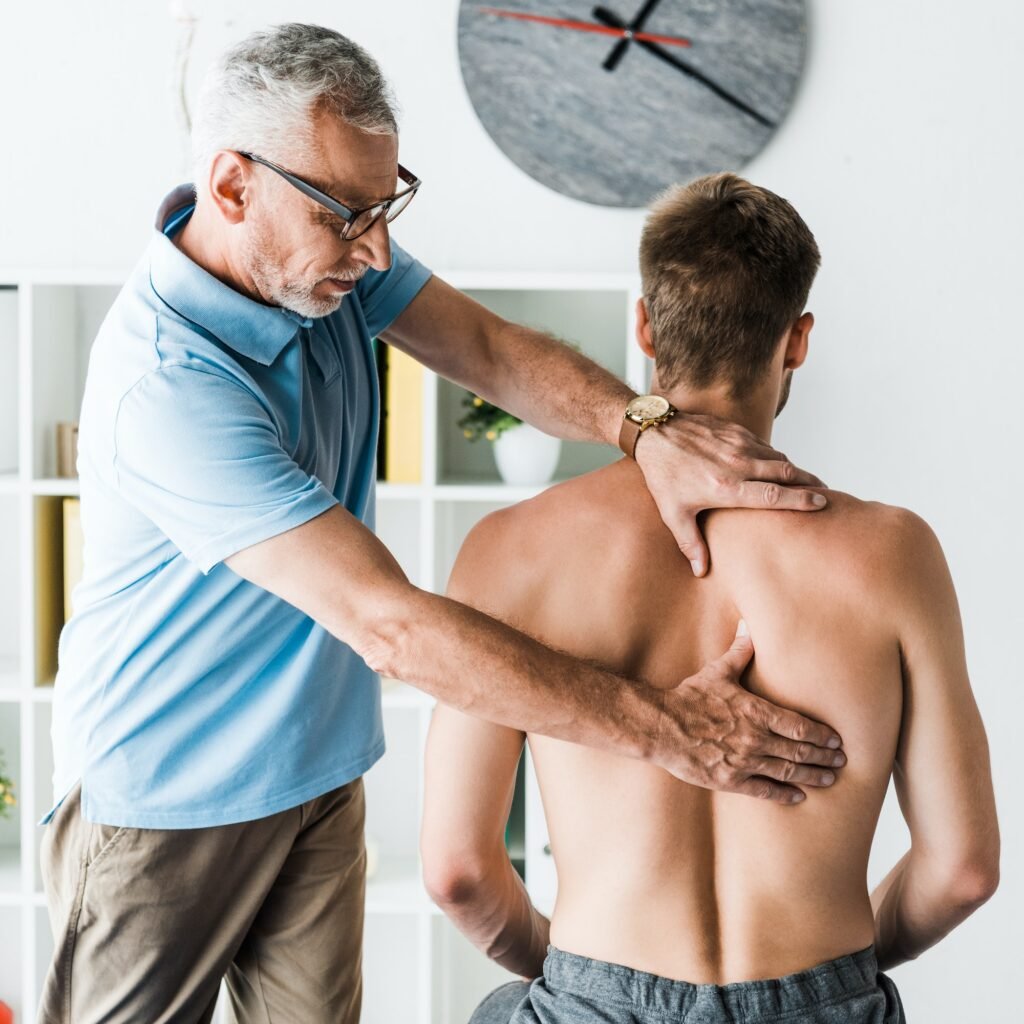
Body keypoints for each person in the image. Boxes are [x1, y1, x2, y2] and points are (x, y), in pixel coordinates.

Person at [38, 24, 849, 1024]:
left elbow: (491, 351)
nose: (375, 248)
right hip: (165, 802)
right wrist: (669, 729)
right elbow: (391, 627)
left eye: (387, 206)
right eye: (348, 215)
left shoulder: (318, 253)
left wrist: (644, 430)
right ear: (233, 187)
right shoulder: (167, 390)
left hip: (314, 775)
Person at [421, 173, 1001, 1024]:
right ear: (797, 341)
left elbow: (457, 871)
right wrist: (833, 975)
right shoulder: (895, 554)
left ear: (646, 326)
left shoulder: (509, 550)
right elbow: (963, 870)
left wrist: (583, 978)